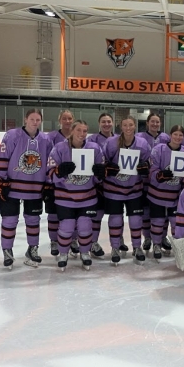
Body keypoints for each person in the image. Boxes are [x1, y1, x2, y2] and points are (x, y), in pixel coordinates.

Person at [0, 108, 53, 269]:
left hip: (35, 187)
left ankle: (32, 248)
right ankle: (7, 250)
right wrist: (0, 180)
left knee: (33, 220)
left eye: (38, 120)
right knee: (9, 220)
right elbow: (2, 157)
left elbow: (49, 163)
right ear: (25, 120)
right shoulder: (12, 135)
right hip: (12, 186)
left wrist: (48, 182)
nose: (35, 122)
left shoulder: (46, 139)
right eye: (32, 119)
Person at [46, 120, 105, 271]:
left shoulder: (95, 148)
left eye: (85, 131)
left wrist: (100, 174)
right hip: (65, 198)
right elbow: (50, 174)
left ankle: (85, 253)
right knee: (66, 227)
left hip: (88, 197)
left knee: (85, 226)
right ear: (72, 131)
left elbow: (100, 176)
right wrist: (59, 172)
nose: (82, 134)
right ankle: (63, 253)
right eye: (79, 130)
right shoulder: (59, 148)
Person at [102, 116, 152, 264]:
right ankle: (115, 247)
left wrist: (145, 168)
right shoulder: (111, 143)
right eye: (125, 125)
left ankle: (137, 247)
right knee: (116, 218)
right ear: (121, 126)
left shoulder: (142, 144)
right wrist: (107, 169)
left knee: (136, 220)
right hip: (113, 189)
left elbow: (148, 161)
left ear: (135, 126)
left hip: (134, 188)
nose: (128, 127)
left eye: (131, 125)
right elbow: (102, 160)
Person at [147, 125, 184, 260]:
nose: (178, 137)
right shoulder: (158, 149)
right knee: (157, 221)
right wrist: (160, 175)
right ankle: (156, 245)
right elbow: (152, 171)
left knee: (176, 223)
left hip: (175, 196)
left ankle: (178, 248)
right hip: (157, 194)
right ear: (170, 135)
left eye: (180, 135)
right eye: (175, 134)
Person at [136, 113, 170, 252]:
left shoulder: (166, 138)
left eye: (157, 122)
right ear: (148, 123)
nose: (155, 124)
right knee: (146, 211)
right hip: (144, 181)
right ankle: (147, 237)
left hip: (161, 182)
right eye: (153, 122)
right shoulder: (139, 137)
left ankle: (162, 236)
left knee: (163, 212)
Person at [86, 113, 115, 258]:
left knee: (116, 214)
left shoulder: (118, 139)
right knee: (95, 214)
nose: (106, 124)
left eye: (109, 121)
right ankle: (92, 242)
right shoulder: (92, 139)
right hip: (96, 183)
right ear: (99, 123)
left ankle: (118, 239)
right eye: (103, 121)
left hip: (114, 183)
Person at [46, 110, 75, 257]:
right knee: (53, 214)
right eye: (64, 118)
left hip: (73, 184)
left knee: (72, 213)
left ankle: (73, 239)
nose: (67, 121)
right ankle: (54, 241)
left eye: (70, 118)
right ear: (59, 120)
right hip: (54, 182)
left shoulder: (79, 136)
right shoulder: (51, 137)